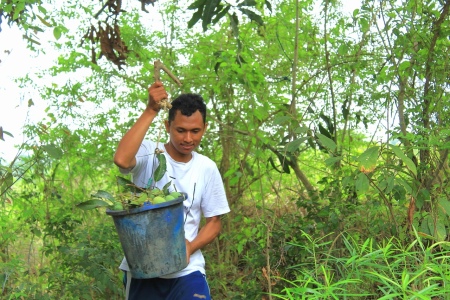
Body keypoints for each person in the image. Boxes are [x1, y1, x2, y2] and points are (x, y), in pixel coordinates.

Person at [113, 81, 230, 300]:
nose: (188, 138)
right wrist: (151, 110)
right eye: (180, 130)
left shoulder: (206, 167)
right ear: (167, 127)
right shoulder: (149, 151)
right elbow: (121, 159)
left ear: (205, 128)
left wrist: (190, 247)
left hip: (188, 272)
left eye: (195, 131)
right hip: (142, 271)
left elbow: (214, 222)